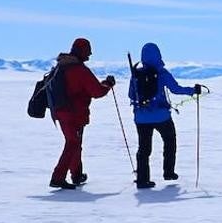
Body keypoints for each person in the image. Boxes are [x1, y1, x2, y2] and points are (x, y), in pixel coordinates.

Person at [129, 42, 203, 189]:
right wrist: (193, 90)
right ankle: (168, 172)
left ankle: (143, 179)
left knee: (144, 148)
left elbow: (131, 95)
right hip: (161, 116)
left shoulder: (136, 74)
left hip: (141, 117)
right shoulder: (161, 72)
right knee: (170, 141)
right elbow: (176, 89)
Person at [50, 37, 116, 189]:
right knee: (73, 143)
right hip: (74, 113)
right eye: (88, 51)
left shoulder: (61, 67)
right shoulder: (79, 70)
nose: (90, 55)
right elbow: (96, 91)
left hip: (61, 112)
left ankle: (77, 175)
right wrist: (108, 84)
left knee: (74, 143)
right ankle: (58, 177)